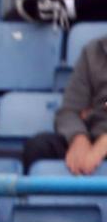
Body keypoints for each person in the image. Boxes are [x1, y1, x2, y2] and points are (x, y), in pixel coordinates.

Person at [22, 35, 107, 174]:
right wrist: (78, 138)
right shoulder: (93, 51)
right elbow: (69, 111)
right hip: (91, 136)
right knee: (39, 147)